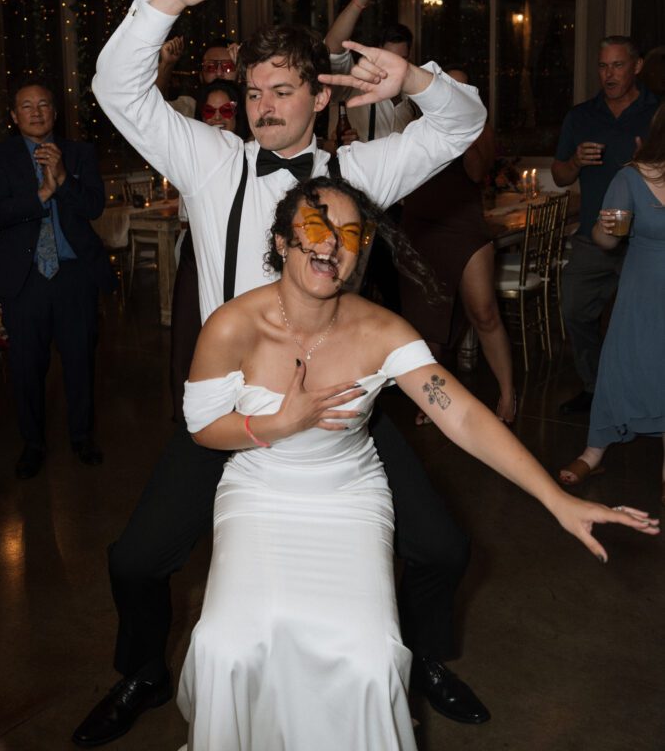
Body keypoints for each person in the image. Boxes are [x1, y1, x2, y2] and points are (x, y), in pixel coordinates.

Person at [72, 0, 489, 747]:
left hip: (341, 401)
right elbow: (116, 90)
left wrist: (416, 80)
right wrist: (168, 1)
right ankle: (145, 671)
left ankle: (418, 658)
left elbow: (457, 129)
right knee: (133, 559)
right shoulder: (208, 159)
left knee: (442, 548)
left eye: (283, 91)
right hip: (233, 401)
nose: (263, 107)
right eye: (254, 91)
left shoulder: (357, 174)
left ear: (319, 99)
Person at [177, 176, 659, 751]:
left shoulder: (381, 331)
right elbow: (203, 428)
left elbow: (463, 415)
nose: (332, 243)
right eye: (316, 226)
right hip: (260, 492)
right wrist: (279, 424)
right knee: (227, 646)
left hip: (348, 497)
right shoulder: (232, 324)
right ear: (282, 241)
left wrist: (557, 500)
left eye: (349, 234)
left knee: (371, 658)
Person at [0, 81, 116, 479]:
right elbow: (1, 213)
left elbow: (94, 206)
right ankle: (33, 444)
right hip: (26, 278)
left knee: (80, 361)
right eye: (26, 106)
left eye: (43, 105)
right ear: (14, 116)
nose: (36, 112)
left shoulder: (79, 153)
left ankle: (82, 438)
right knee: (26, 367)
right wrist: (43, 193)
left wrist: (63, 179)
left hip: (75, 275)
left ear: (55, 113)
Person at [559, 102, 665, 499]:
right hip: (643, 291)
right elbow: (605, 241)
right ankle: (594, 450)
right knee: (623, 363)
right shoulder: (631, 177)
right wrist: (607, 229)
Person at [401, 68, 516, 424]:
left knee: (484, 311)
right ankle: (431, 400)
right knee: (427, 320)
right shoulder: (417, 125)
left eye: (460, 87)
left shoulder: (479, 127)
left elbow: (477, 171)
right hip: (420, 224)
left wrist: (462, 126)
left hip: (464, 224)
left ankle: (508, 392)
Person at [551, 36, 659, 415]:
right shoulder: (581, 116)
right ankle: (595, 387)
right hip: (594, 236)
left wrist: (649, 164)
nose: (608, 74)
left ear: (637, 66)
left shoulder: (657, 113)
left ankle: (644, 393)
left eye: (617, 65)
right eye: (602, 66)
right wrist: (576, 162)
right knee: (574, 310)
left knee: (644, 323)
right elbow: (560, 176)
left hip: (644, 241)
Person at [170, 78, 248, 421]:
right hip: (197, 252)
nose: (217, 117)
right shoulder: (189, 154)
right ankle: (188, 421)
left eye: (226, 110)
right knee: (188, 337)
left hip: (244, 250)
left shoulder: (253, 154)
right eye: (209, 110)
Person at [324, 0, 416, 144]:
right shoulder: (353, 85)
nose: (394, 67)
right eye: (388, 59)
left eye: (401, 60)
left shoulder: (411, 101)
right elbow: (333, 47)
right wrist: (360, 0)